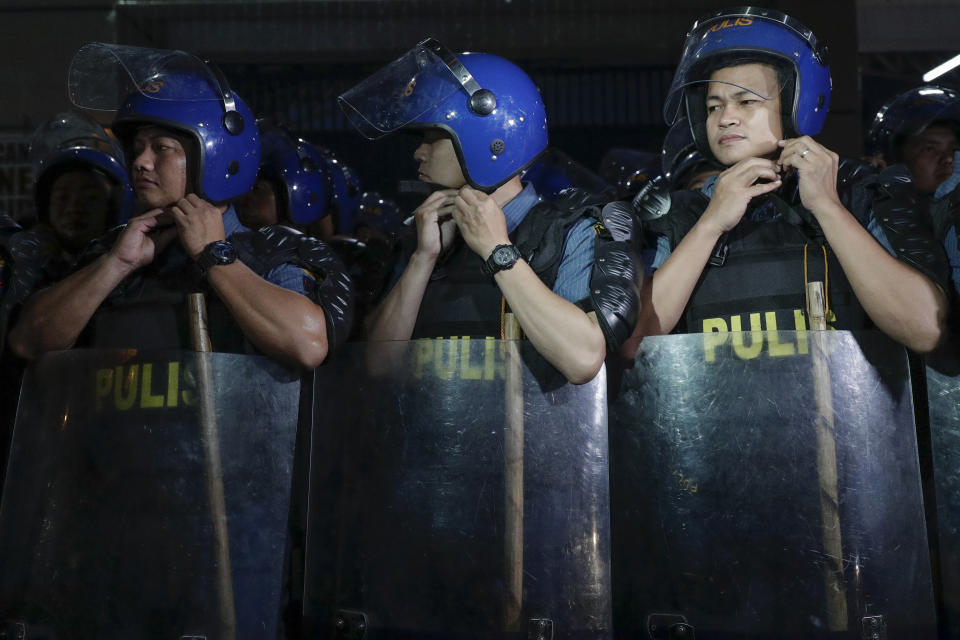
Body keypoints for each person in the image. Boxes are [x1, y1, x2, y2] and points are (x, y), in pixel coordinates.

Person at [10, 44, 352, 370]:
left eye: (161, 147)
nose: (141, 162)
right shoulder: (112, 252)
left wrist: (214, 255)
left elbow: (307, 346)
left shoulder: (275, 250)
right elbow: (28, 342)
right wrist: (116, 264)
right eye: (139, 148)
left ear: (215, 155)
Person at [629, 7, 948, 353]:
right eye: (713, 107)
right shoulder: (678, 214)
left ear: (798, 103)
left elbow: (924, 329)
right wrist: (710, 224)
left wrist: (827, 207)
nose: (726, 118)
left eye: (746, 101)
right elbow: (633, 344)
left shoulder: (860, 195)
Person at [339, 38, 640, 383]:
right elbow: (378, 367)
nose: (418, 153)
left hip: (540, 437)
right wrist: (423, 260)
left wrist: (497, 250)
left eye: (431, 137)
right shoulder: (424, 236)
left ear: (486, 137)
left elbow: (582, 359)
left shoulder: (572, 230)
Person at [867, 86, 960, 299]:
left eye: (955, 149)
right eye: (930, 149)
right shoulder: (874, 224)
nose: (948, 158)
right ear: (895, 159)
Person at [28, 111, 135, 280]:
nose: (74, 209)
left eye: (91, 198)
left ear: (114, 207)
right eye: (62, 198)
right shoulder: (20, 268)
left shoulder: (136, 272)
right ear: (45, 206)